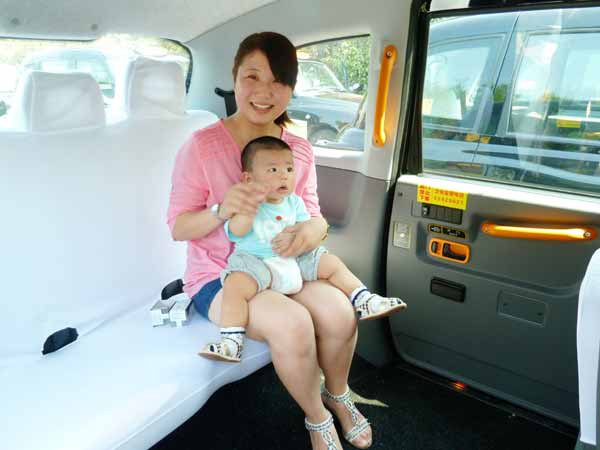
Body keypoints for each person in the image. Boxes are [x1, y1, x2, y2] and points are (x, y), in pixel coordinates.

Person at [168, 31, 392, 450]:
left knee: (341, 312)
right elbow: (179, 227)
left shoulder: (299, 150)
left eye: (279, 81)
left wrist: (312, 229)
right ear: (234, 77)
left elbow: (313, 212)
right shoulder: (200, 147)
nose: (265, 92)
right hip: (223, 276)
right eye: (253, 77)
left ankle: (338, 394)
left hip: (287, 264)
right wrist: (221, 211)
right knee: (293, 324)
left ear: (291, 87)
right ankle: (317, 416)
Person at [198, 135, 406, 363]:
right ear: (248, 178)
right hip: (256, 262)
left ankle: (364, 299)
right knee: (234, 286)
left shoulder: (294, 202)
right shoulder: (244, 202)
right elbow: (236, 231)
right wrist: (249, 208)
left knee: (331, 263)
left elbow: (306, 226)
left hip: (295, 259)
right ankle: (231, 341)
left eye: (289, 168)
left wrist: (301, 233)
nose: (284, 175)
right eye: (273, 169)